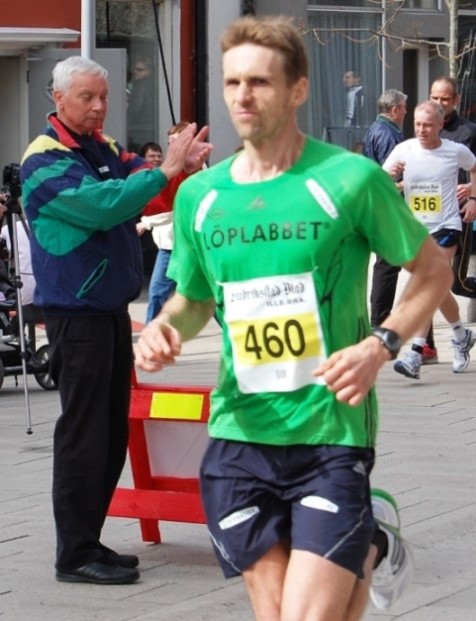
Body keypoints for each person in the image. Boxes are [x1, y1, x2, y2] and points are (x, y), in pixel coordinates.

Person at [135, 15, 451, 621]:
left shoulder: (349, 179)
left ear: (298, 89)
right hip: (238, 435)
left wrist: (380, 344)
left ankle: (365, 539)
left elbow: (432, 269)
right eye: (232, 82)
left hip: (328, 431)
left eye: (259, 82)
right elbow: (194, 297)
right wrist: (166, 327)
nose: (242, 97)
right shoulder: (201, 195)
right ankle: (369, 542)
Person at [20, 55, 211, 585]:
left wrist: (183, 166)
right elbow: (105, 204)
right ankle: (74, 554)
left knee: (109, 435)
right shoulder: (44, 160)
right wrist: (165, 169)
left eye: (104, 96)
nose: (99, 106)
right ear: (58, 98)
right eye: (87, 97)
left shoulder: (101, 147)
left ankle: (89, 541)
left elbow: (145, 188)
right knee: (84, 435)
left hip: (107, 311)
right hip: (75, 316)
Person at [383, 100, 476, 380]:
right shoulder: (404, 150)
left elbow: (474, 167)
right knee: (436, 287)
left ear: (439, 125)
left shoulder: (455, 150)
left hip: (446, 226)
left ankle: (415, 353)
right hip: (415, 230)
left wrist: (473, 197)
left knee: (427, 282)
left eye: (427, 125)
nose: (422, 130)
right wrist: (391, 177)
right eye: (417, 125)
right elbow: (381, 183)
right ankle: (461, 335)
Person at [138, 123, 201, 323]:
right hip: (170, 245)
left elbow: (172, 207)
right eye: (170, 143)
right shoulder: (173, 170)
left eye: (176, 141)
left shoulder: (193, 171)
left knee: (205, 295)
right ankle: (151, 334)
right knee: (158, 292)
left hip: (189, 246)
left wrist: (146, 222)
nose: (172, 147)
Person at [363, 89, 407, 331]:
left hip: (379, 204)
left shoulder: (375, 129)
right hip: (388, 206)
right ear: (395, 110)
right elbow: (393, 175)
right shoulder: (388, 135)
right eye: (404, 108)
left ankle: (379, 320)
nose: (406, 112)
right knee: (388, 265)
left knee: (388, 264)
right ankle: (379, 321)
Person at [127, 56, 155, 150]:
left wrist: (129, 122)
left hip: (140, 129)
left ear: (149, 71)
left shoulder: (140, 85)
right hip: (149, 128)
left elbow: (136, 108)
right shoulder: (155, 85)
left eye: (139, 69)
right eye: (135, 69)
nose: (135, 72)